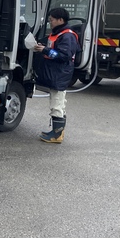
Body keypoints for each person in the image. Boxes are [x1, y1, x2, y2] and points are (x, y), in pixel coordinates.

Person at [33, 7, 79, 144]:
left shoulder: (67, 36)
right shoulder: (58, 34)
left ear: (60, 20)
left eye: (52, 20)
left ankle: (57, 135)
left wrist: (45, 50)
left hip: (60, 74)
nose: (50, 23)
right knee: (58, 102)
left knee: (57, 103)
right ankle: (57, 132)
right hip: (56, 73)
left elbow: (65, 56)